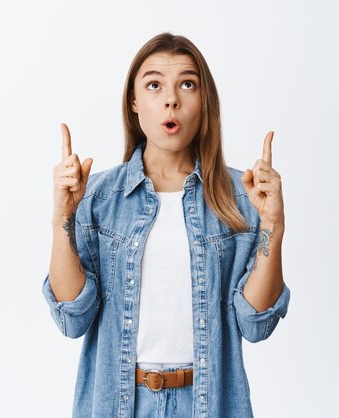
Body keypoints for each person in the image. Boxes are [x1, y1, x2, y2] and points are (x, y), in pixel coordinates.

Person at [42, 32, 291, 418]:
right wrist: (63, 217)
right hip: (121, 403)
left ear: (203, 100)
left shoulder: (241, 197)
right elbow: (72, 318)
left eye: (187, 84)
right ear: (135, 101)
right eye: (154, 84)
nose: (171, 99)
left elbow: (256, 323)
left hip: (208, 404)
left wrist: (272, 225)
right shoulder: (99, 199)